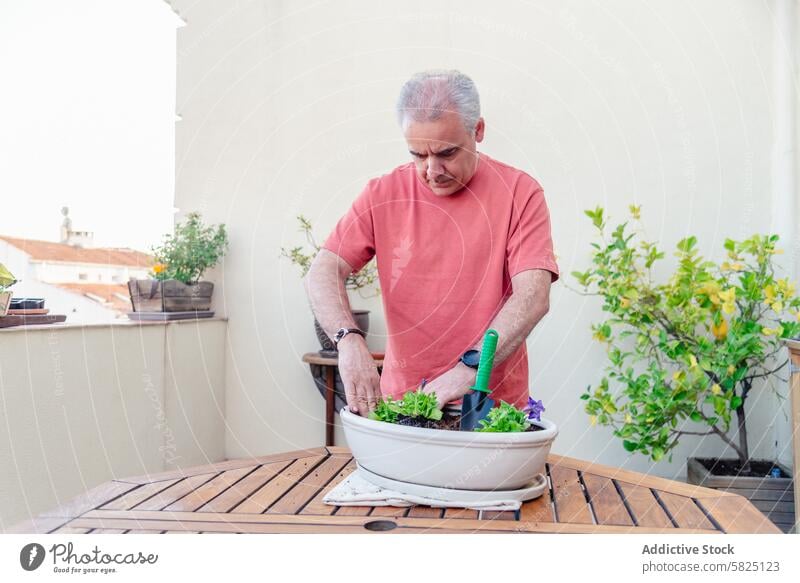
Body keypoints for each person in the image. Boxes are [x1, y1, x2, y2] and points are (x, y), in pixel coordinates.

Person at [305, 70, 558, 418]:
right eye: (418, 155)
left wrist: (469, 370)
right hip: (402, 407)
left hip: (490, 410)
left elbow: (533, 296)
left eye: (446, 153)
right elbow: (323, 270)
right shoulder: (382, 194)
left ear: (478, 131)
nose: (431, 170)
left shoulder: (520, 193)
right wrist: (348, 340)